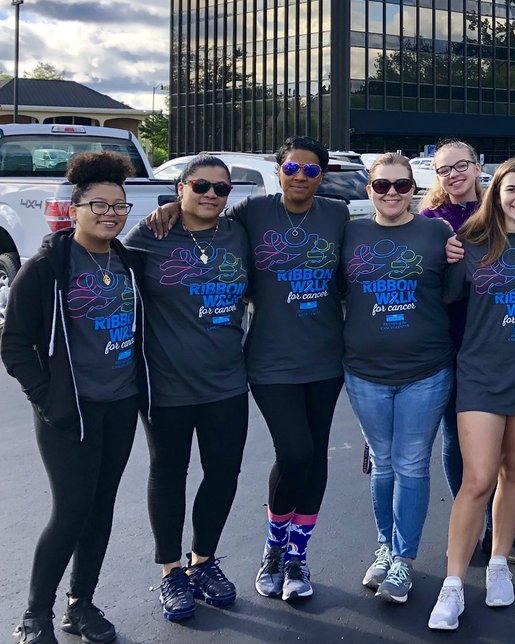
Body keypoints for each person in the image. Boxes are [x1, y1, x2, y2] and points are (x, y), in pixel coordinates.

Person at [148, 135, 350, 603]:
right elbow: (204, 212)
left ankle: (296, 555)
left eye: (311, 170)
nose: (301, 177)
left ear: (323, 175)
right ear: (278, 171)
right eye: (292, 169)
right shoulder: (252, 212)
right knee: (294, 451)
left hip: (326, 358)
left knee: (315, 454)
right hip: (269, 361)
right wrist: (172, 208)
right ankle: (273, 547)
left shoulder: (338, 215)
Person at [2, 152, 148, 644]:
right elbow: (15, 343)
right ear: (75, 207)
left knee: (101, 507)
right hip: (70, 412)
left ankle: (80, 604)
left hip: (120, 403)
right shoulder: (47, 267)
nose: (110, 214)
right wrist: (47, 399)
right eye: (99, 205)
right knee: (70, 510)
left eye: (119, 206)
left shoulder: (127, 262)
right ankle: (35, 615)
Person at [427, 158, 515, 631]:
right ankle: (453, 585)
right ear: (496, 193)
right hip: (480, 374)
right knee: (478, 478)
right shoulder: (468, 242)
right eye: (512, 190)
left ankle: (500, 563)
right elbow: (439, 301)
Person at [125, 155, 251, 622]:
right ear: (180, 187)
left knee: (223, 474)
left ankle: (203, 562)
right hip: (166, 385)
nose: (211, 195)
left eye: (221, 188)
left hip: (226, 382)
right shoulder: (149, 237)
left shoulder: (238, 233)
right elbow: (102, 262)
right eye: (201, 186)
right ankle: (171, 570)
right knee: (169, 473)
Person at [343, 153, 454, 605]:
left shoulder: (436, 233)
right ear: (368, 188)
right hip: (365, 371)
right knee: (383, 464)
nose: (392, 193)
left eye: (402, 185)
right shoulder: (348, 232)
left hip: (425, 371)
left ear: (416, 189)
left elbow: (453, 292)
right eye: (382, 185)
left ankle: (403, 561)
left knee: (410, 464)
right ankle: (384, 547)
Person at [420, 140, 515, 566]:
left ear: (477, 165)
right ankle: (476, 520)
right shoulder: (430, 222)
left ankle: (501, 527)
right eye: (444, 169)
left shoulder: (502, 209)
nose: (454, 174)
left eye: (461, 165)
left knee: (509, 448)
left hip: (503, 341)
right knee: (457, 440)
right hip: (450, 341)